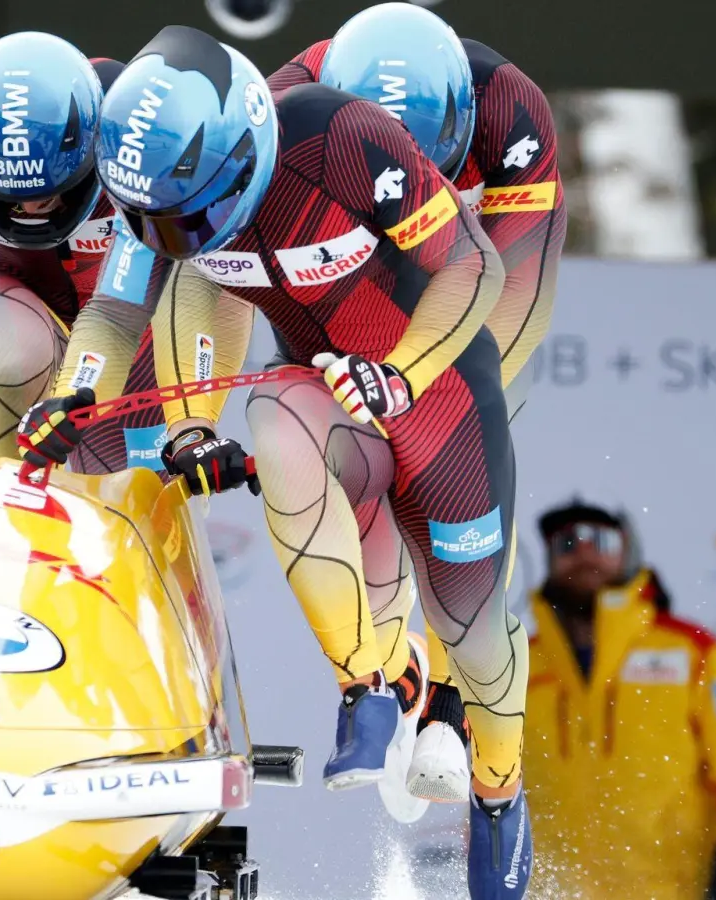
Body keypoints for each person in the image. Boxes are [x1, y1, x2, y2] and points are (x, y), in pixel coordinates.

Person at [16, 24, 531, 897]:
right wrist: (75, 391)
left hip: (434, 390)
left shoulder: (340, 138)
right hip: (327, 392)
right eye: (156, 221)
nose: (175, 235)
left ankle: (499, 791)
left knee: (476, 641)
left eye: (195, 214)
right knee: (276, 417)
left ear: (244, 144)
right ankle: (371, 680)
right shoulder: (159, 197)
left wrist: (401, 373)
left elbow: (472, 267)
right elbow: (113, 315)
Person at [262, 0, 569, 809]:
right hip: (337, 314)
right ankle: (389, 661)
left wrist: (432, 391)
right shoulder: (294, 100)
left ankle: (454, 694)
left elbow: (516, 293)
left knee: (460, 446)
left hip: (462, 300)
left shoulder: (510, 113)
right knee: (323, 453)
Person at [0, 30, 252, 478]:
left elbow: (175, 287)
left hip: (132, 307)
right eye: (11, 200)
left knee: (138, 477)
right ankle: (13, 490)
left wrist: (191, 427)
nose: (36, 210)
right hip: (3, 290)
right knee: (18, 356)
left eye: (55, 192)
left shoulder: (137, 128)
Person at [526, 501, 716, 899]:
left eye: (599, 540)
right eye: (567, 542)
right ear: (550, 560)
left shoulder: (695, 653)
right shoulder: (515, 665)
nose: (583, 552)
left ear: (627, 551)